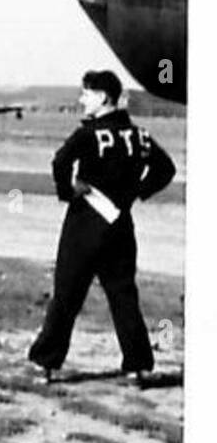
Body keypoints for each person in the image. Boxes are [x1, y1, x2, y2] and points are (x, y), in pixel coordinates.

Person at [28, 70, 176, 383]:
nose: (82, 99)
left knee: (67, 294)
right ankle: (137, 366)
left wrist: (68, 192)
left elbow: (59, 162)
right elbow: (166, 169)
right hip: (121, 224)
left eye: (87, 93)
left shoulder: (88, 134)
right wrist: (139, 191)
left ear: (103, 97)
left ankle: (47, 363)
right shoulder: (140, 135)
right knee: (123, 296)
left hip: (84, 224)